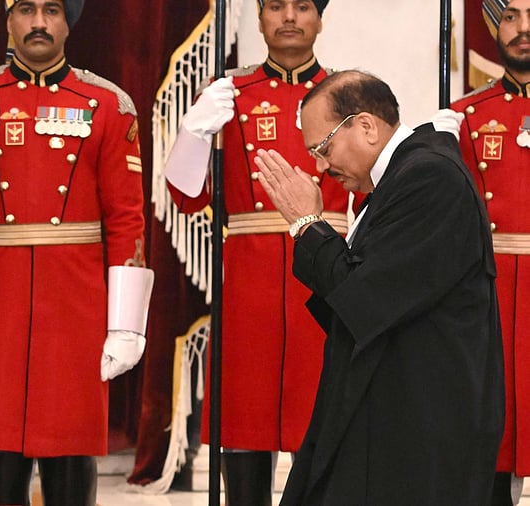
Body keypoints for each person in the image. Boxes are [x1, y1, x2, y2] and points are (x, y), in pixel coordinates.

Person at [0, 0, 153, 504]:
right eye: (25, 9)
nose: (38, 22)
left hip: (76, 302)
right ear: (6, 21)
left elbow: (127, 217)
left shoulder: (108, 103)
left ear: (69, 22)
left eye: (51, 10)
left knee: (70, 455)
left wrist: (127, 323)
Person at [252, 69, 504, 504]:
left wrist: (308, 225)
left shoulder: (430, 178)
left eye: (323, 146)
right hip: (390, 425)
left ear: (366, 126)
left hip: (416, 437)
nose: (320, 165)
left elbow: (362, 301)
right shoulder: (401, 178)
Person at [162, 0, 346, 502]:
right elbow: (185, 195)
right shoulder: (229, 94)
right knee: (244, 428)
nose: (289, 16)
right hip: (249, 282)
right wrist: (194, 133)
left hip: (326, 276)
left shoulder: (348, 92)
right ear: (260, 19)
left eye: (302, 5)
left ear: (319, 18)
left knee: (323, 430)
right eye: (275, 6)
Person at [451, 1, 530, 503]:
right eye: (511, 16)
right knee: (491, 438)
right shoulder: (467, 117)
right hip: (493, 295)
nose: (525, 30)